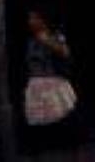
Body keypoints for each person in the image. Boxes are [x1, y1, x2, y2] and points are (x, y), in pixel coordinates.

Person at [22, 9, 78, 155]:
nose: (30, 22)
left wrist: (46, 40)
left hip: (53, 85)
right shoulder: (31, 40)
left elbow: (65, 54)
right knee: (38, 125)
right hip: (36, 86)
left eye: (34, 18)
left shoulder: (55, 36)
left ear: (43, 20)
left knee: (60, 121)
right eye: (30, 18)